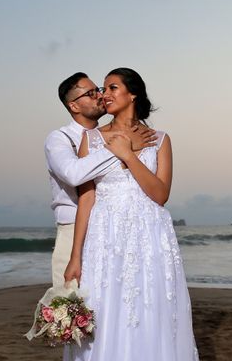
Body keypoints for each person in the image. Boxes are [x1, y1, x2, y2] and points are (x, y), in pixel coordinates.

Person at [64, 68, 199, 360]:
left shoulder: (160, 139)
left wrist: (128, 155)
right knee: (105, 308)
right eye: (102, 89)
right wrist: (75, 256)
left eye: (112, 88)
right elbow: (86, 197)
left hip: (149, 235)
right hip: (105, 235)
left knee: (150, 307)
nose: (104, 94)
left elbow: (160, 194)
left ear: (132, 93)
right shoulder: (92, 138)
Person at [44, 72, 155, 288]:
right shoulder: (59, 138)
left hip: (110, 230)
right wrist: (122, 148)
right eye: (91, 93)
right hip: (73, 227)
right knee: (69, 306)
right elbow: (73, 174)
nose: (100, 96)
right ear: (74, 106)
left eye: (99, 90)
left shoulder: (116, 134)